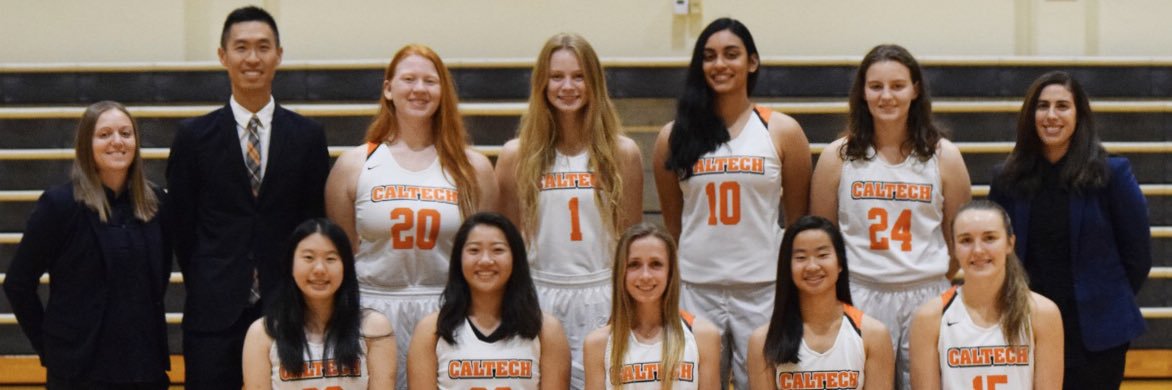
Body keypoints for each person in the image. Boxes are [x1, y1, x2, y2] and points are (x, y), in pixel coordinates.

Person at [166, 6, 331, 388]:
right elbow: (181, 227)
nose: (252, 58)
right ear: (223, 56)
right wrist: (213, 277)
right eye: (241, 47)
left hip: (288, 307)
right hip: (213, 311)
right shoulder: (193, 137)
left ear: (279, 55)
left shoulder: (307, 136)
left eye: (263, 47)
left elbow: (314, 222)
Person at [325, 43, 498, 388]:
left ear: (443, 91)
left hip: (447, 309)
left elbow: (488, 253)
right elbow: (342, 254)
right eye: (409, 79)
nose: (419, 89)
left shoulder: (473, 167)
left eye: (430, 81)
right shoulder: (355, 164)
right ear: (388, 88)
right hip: (372, 309)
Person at [651, 17, 812, 389]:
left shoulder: (782, 131)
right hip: (696, 286)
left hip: (763, 287)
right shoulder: (673, 136)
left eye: (731, 54)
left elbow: (798, 221)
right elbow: (675, 224)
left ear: (752, 62)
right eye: (709, 56)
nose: (719, 64)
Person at [808, 44, 971, 388]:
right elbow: (821, 238)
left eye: (897, 86)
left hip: (926, 294)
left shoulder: (945, 157)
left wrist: (926, 273)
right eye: (876, 86)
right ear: (862, 92)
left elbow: (959, 240)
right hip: (859, 292)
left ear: (915, 90)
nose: (886, 96)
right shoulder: (837, 157)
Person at [495, 32, 644, 388]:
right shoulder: (517, 155)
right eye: (557, 76)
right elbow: (509, 243)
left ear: (594, 83)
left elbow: (630, 244)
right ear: (541, 83)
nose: (568, 86)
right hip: (541, 291)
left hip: (602, 291)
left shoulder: (622, 153)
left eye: (578, 76)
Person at [988, 71, 1151, 389]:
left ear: (1079, 115)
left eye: (1062, 106)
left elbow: (1138, 256)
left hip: (1097, 334)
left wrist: (1102, 300)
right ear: (1030, 115)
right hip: (1028, 326)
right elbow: (998, 255)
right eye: (1042, 106)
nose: (1051, 115)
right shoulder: (1007, 178)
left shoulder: (1112, 174)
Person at [4, 101, 171, 388]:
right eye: (104, 134)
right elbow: (18, 283)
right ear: (86, 144)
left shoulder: (157, 203)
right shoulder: (59, 206)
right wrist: (50, 349)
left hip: (144, 367)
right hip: (79, 371)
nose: (117, 141)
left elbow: (159, 278)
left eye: (125, 133)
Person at [909, 201, 1064, 389]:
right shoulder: (929, 318)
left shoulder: (1042, 313)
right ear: (954, 248)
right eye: (966, 240)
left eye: (989, 238)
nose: (978, 250)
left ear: (1010, 243)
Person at [406, 212, 570, 389]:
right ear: (458, 259)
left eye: (498, 250)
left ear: (516, 258)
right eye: (474, 250)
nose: (485, 260)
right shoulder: (430, 330)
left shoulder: (546, 330)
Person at [243, 218, 396, 389]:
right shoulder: (262, 333)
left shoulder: (373, 328)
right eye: (308, 257)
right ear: (291, 264)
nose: (319, 269)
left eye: (330, 259)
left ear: (346, 266)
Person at [747, 216, 893, 390]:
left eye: (822, 255)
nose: (812, 266)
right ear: (788, 267)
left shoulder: (873, 335)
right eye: (801, 257)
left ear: (840, 263)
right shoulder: (763, 341)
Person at [582, 223, 721, 390]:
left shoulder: (703, 336)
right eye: (634, 265)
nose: (645, 275)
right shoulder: (598, 344)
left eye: (656, 264)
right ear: (621, 272)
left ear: (670, 272)